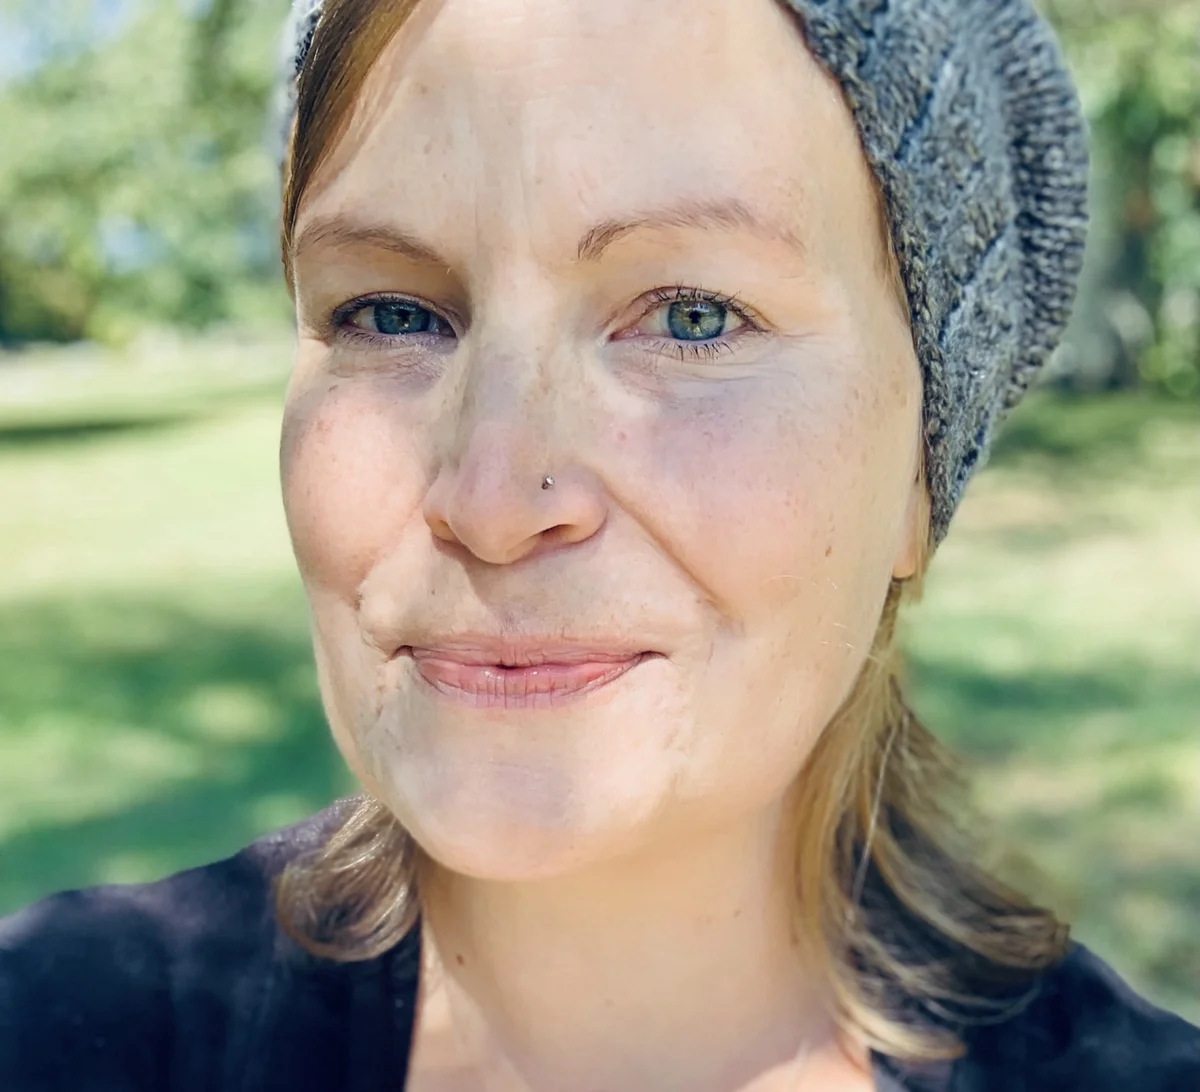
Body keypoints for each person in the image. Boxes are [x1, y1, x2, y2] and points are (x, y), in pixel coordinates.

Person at [2, 0, 1198, 1088]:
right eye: (391, 313)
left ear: (917, 478)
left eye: (692, 316)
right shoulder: (65, 1028)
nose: (490, 496)